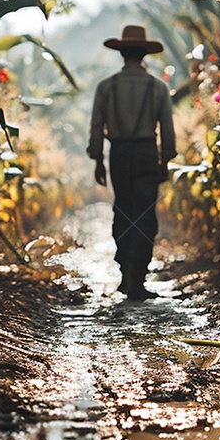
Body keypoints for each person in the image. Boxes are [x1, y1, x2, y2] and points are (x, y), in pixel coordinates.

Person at [87, 25, 176, 300]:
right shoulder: (158, 87)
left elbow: (96, 127)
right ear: (144, 54)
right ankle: (137, 278)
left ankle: (126, 274)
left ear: (123, 53)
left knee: (123, 210)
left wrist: (98, 161)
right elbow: (167, 131)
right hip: (147, 153)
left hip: (119, 155)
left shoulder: (106, 86)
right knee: (145, 215)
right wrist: (165, 161)